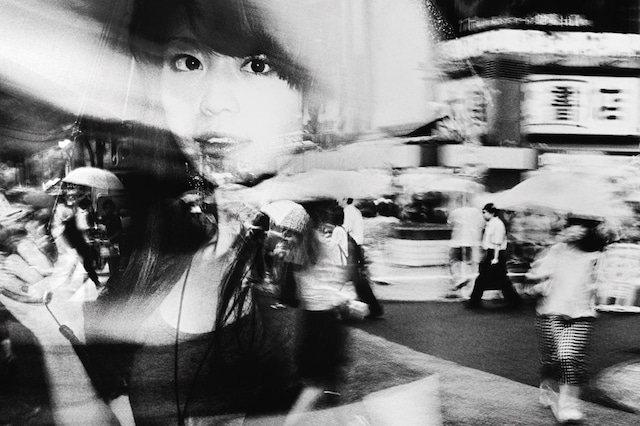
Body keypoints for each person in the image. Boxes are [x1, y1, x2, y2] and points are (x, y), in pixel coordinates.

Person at [0, 1, 324, 424]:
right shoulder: (169, 242)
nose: (213, 101)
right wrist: (49, 328)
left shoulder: (294, 257)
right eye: (187, 61)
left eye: (258, 65)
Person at [525, 221, 607, 424]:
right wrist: (539, 282)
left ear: (588, 231)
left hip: (580, 314)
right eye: (571, 226)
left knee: (568, 357)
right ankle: (546, 386)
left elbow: (601, 283)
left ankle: (569, 404)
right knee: (551, 359)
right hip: (551, 312)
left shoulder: (595, 255)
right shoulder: (557, 250)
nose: (574, 231)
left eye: (581, 227)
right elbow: (535, 274)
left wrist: (597, 284)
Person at [466, 203, 522, 309]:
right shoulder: (492, 223)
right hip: (493, 253)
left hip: (495, 253)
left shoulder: (497, 224)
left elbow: (497, 242)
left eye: (484, 212)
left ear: (491, 213)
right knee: (501, 279)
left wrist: (495, 258)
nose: (483, 215)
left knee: (484, 278)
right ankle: (514, 300)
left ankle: (474, 301)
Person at [339, 198, 383, 318]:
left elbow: (344, 229)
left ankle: (374, 308)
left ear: (344, 199)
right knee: (358, 281)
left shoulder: (348, 212)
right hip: (354, 247)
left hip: (351, 248)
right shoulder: (354, 211)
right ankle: (373, 308)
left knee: (356, 280)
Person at [447, 194, 485, 294]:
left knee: (454, 261)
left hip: (457, 241)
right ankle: (468, 282)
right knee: (468, 262)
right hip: (471, 242)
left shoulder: (456, 212)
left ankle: (458, 279)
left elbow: (449, 223)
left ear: (459, 202)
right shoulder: (477, 212)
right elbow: (482, 225)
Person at [63, 195, 102, 288]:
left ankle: (95, 280)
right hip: (82, 243)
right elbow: (82, 228)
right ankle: (95, 281)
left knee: (86, 263)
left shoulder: (79, 214)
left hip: (82, 243)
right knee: (87, 264)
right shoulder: (80, 215)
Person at [98, 199, 123, 283]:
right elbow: (100, 231)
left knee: (115, 262)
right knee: (109, 262)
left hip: (114, 242)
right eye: (106, 208)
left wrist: (111, 238)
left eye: (110, 208)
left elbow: (119, 230)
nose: (108, 209)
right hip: (106, 244)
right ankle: (114, 279)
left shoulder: (116, 218)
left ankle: (115, 279)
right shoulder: (103, 219)